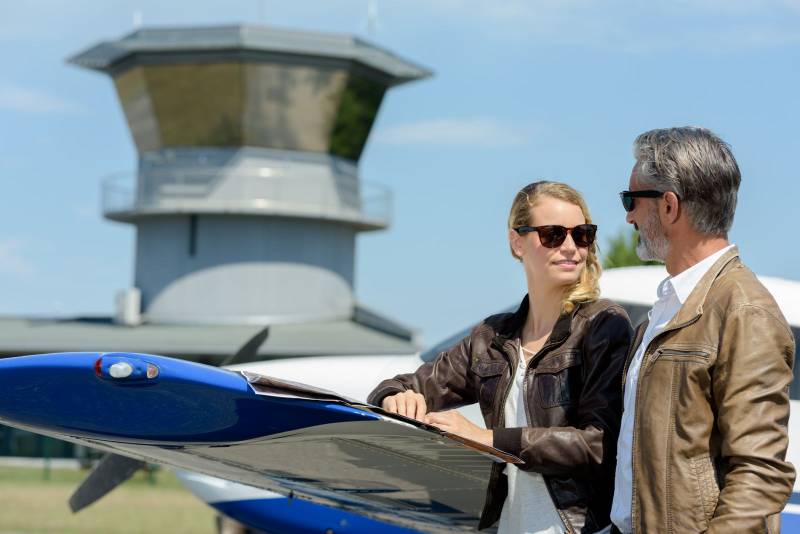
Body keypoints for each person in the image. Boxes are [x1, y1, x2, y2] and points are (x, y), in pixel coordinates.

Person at [368, 181, 633, 533]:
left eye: (582, 235)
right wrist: (395, 397)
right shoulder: (491, 338)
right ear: (517, 242)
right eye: (553, 234)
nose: (571, 247)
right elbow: (403, 385)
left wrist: (488, 439)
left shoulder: (602, 325)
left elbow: (598, 444)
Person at [609, 127, 796, 534]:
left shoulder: (744, 310)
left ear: (669, 206)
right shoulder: (668, 306)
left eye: (630, 200)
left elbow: (760, 473)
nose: (628, 216)